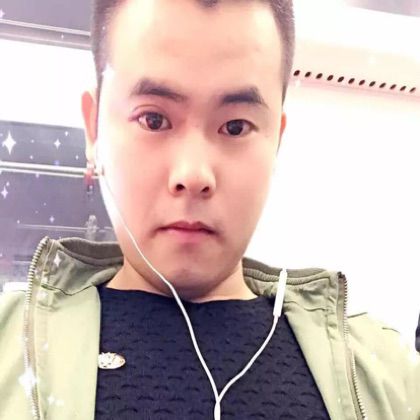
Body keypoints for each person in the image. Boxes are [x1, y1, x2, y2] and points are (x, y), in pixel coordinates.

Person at [1, 0, 419, 419]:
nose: (193, 173)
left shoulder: (390, 378)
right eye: (153, 120)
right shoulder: (9, 350)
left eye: (235, 126)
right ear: (94, 130)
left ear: (276, 140)